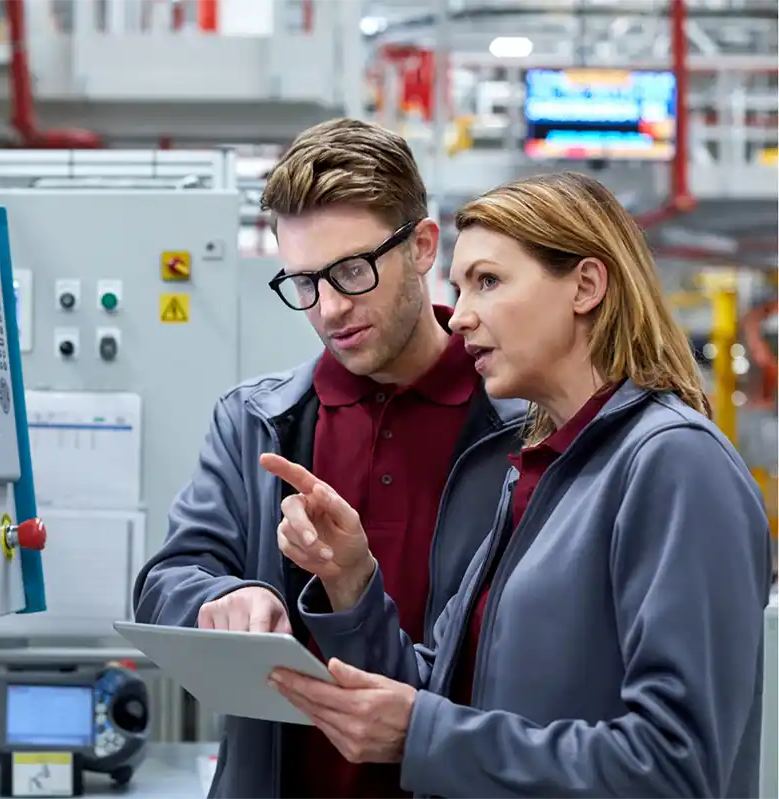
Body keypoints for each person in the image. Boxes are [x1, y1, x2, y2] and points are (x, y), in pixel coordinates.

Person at [263, 172, 774, 799]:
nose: (460, 317)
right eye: (458, 287)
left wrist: (427, 736)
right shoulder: (537, 473)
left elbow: (676, 766)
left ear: (586, 285)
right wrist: (351, 580)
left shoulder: (672, 465)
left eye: (489, 281)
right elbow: (444, 693)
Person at [132, 117, 527, 799]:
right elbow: (166, 579)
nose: (332, 307)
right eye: (305, 281)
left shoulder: (519, 428)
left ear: (423, 246)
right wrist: (227, 596)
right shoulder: (257, 422)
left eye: (352, 269)